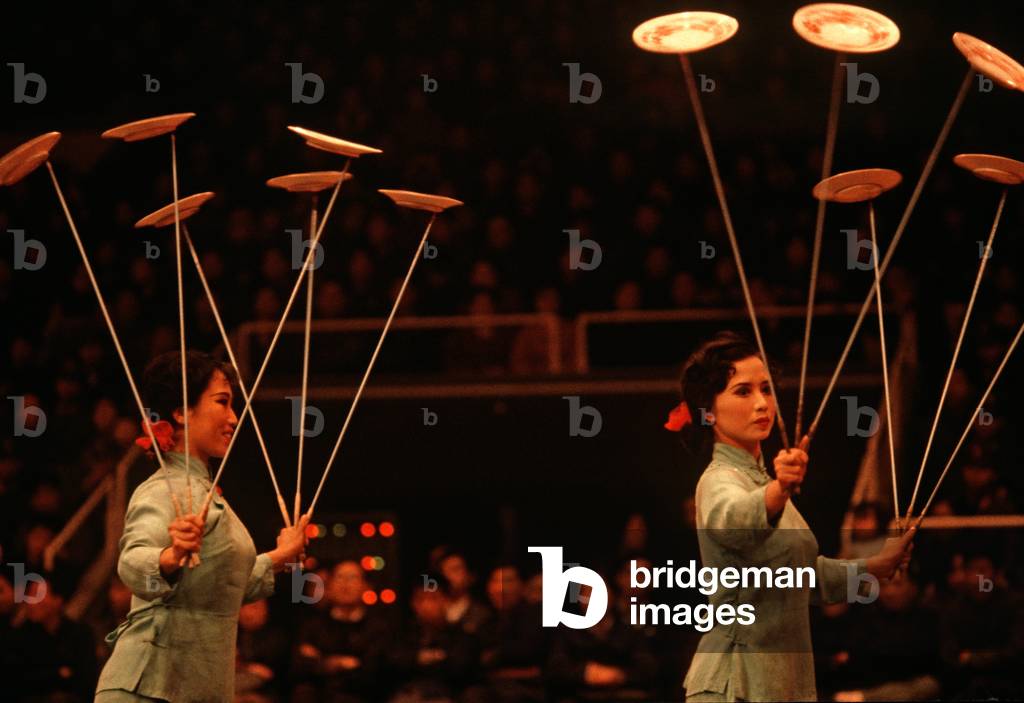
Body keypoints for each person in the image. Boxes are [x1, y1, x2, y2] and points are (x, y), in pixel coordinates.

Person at [668, 332, 916, 702]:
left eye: (766, 389)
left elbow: (802, 579)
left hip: (780, 681)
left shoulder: (762, 480)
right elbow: (737, 521)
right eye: (743, 391)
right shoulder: (718, 481)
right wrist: (779, 489)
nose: (762, 403)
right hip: (736, 683)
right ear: (709, 410)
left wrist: (875, 567)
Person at [94, 350, 310, 701]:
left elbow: (222, 584)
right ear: (181, 412)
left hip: (192, 685)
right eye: (222, 403)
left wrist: (281, 556)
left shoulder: (204, 491)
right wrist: (169, 556)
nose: (233, 417)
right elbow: (133, 565)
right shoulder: (164, 489)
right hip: (151, 686)